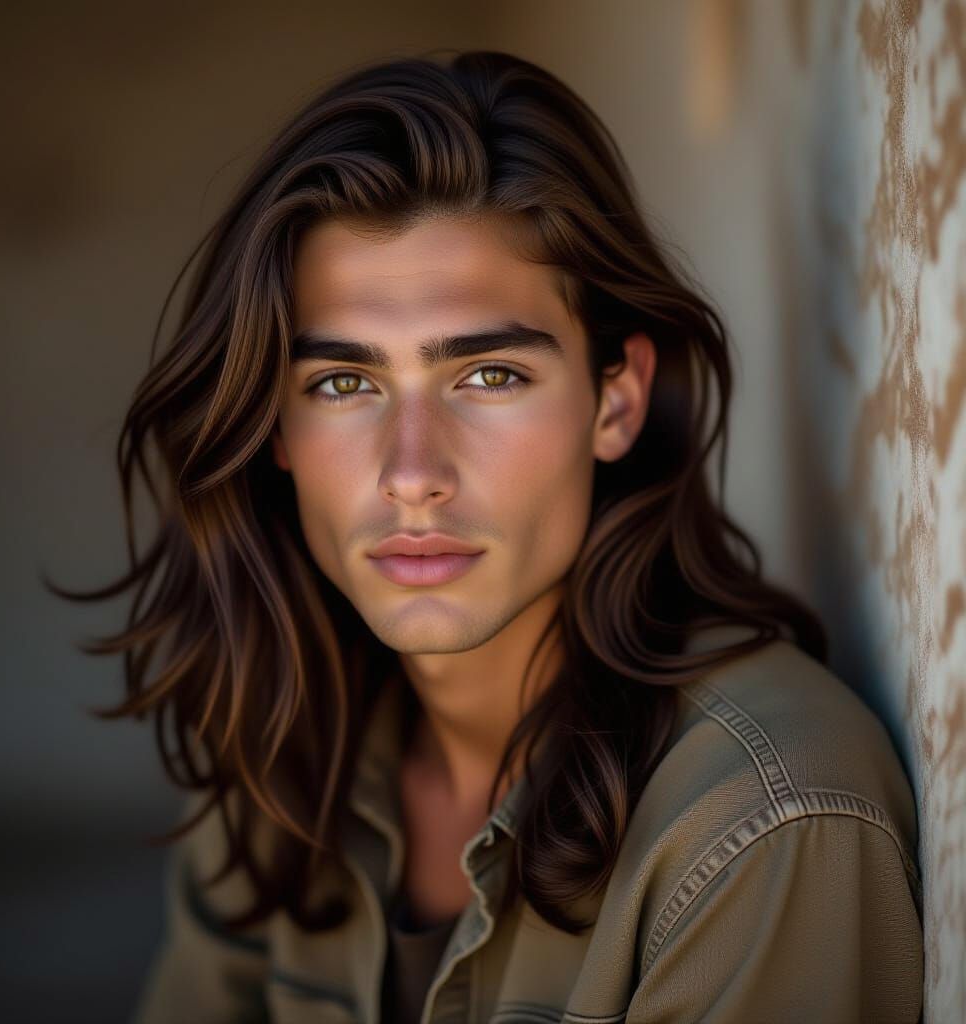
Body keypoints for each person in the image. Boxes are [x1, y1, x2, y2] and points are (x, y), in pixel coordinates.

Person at [54, 50, 923, 1023]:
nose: (413, 469)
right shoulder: (281, 759)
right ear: (275, 432)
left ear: (615, 398)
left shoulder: (766, 817)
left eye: (488, 376)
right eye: (344, 384)